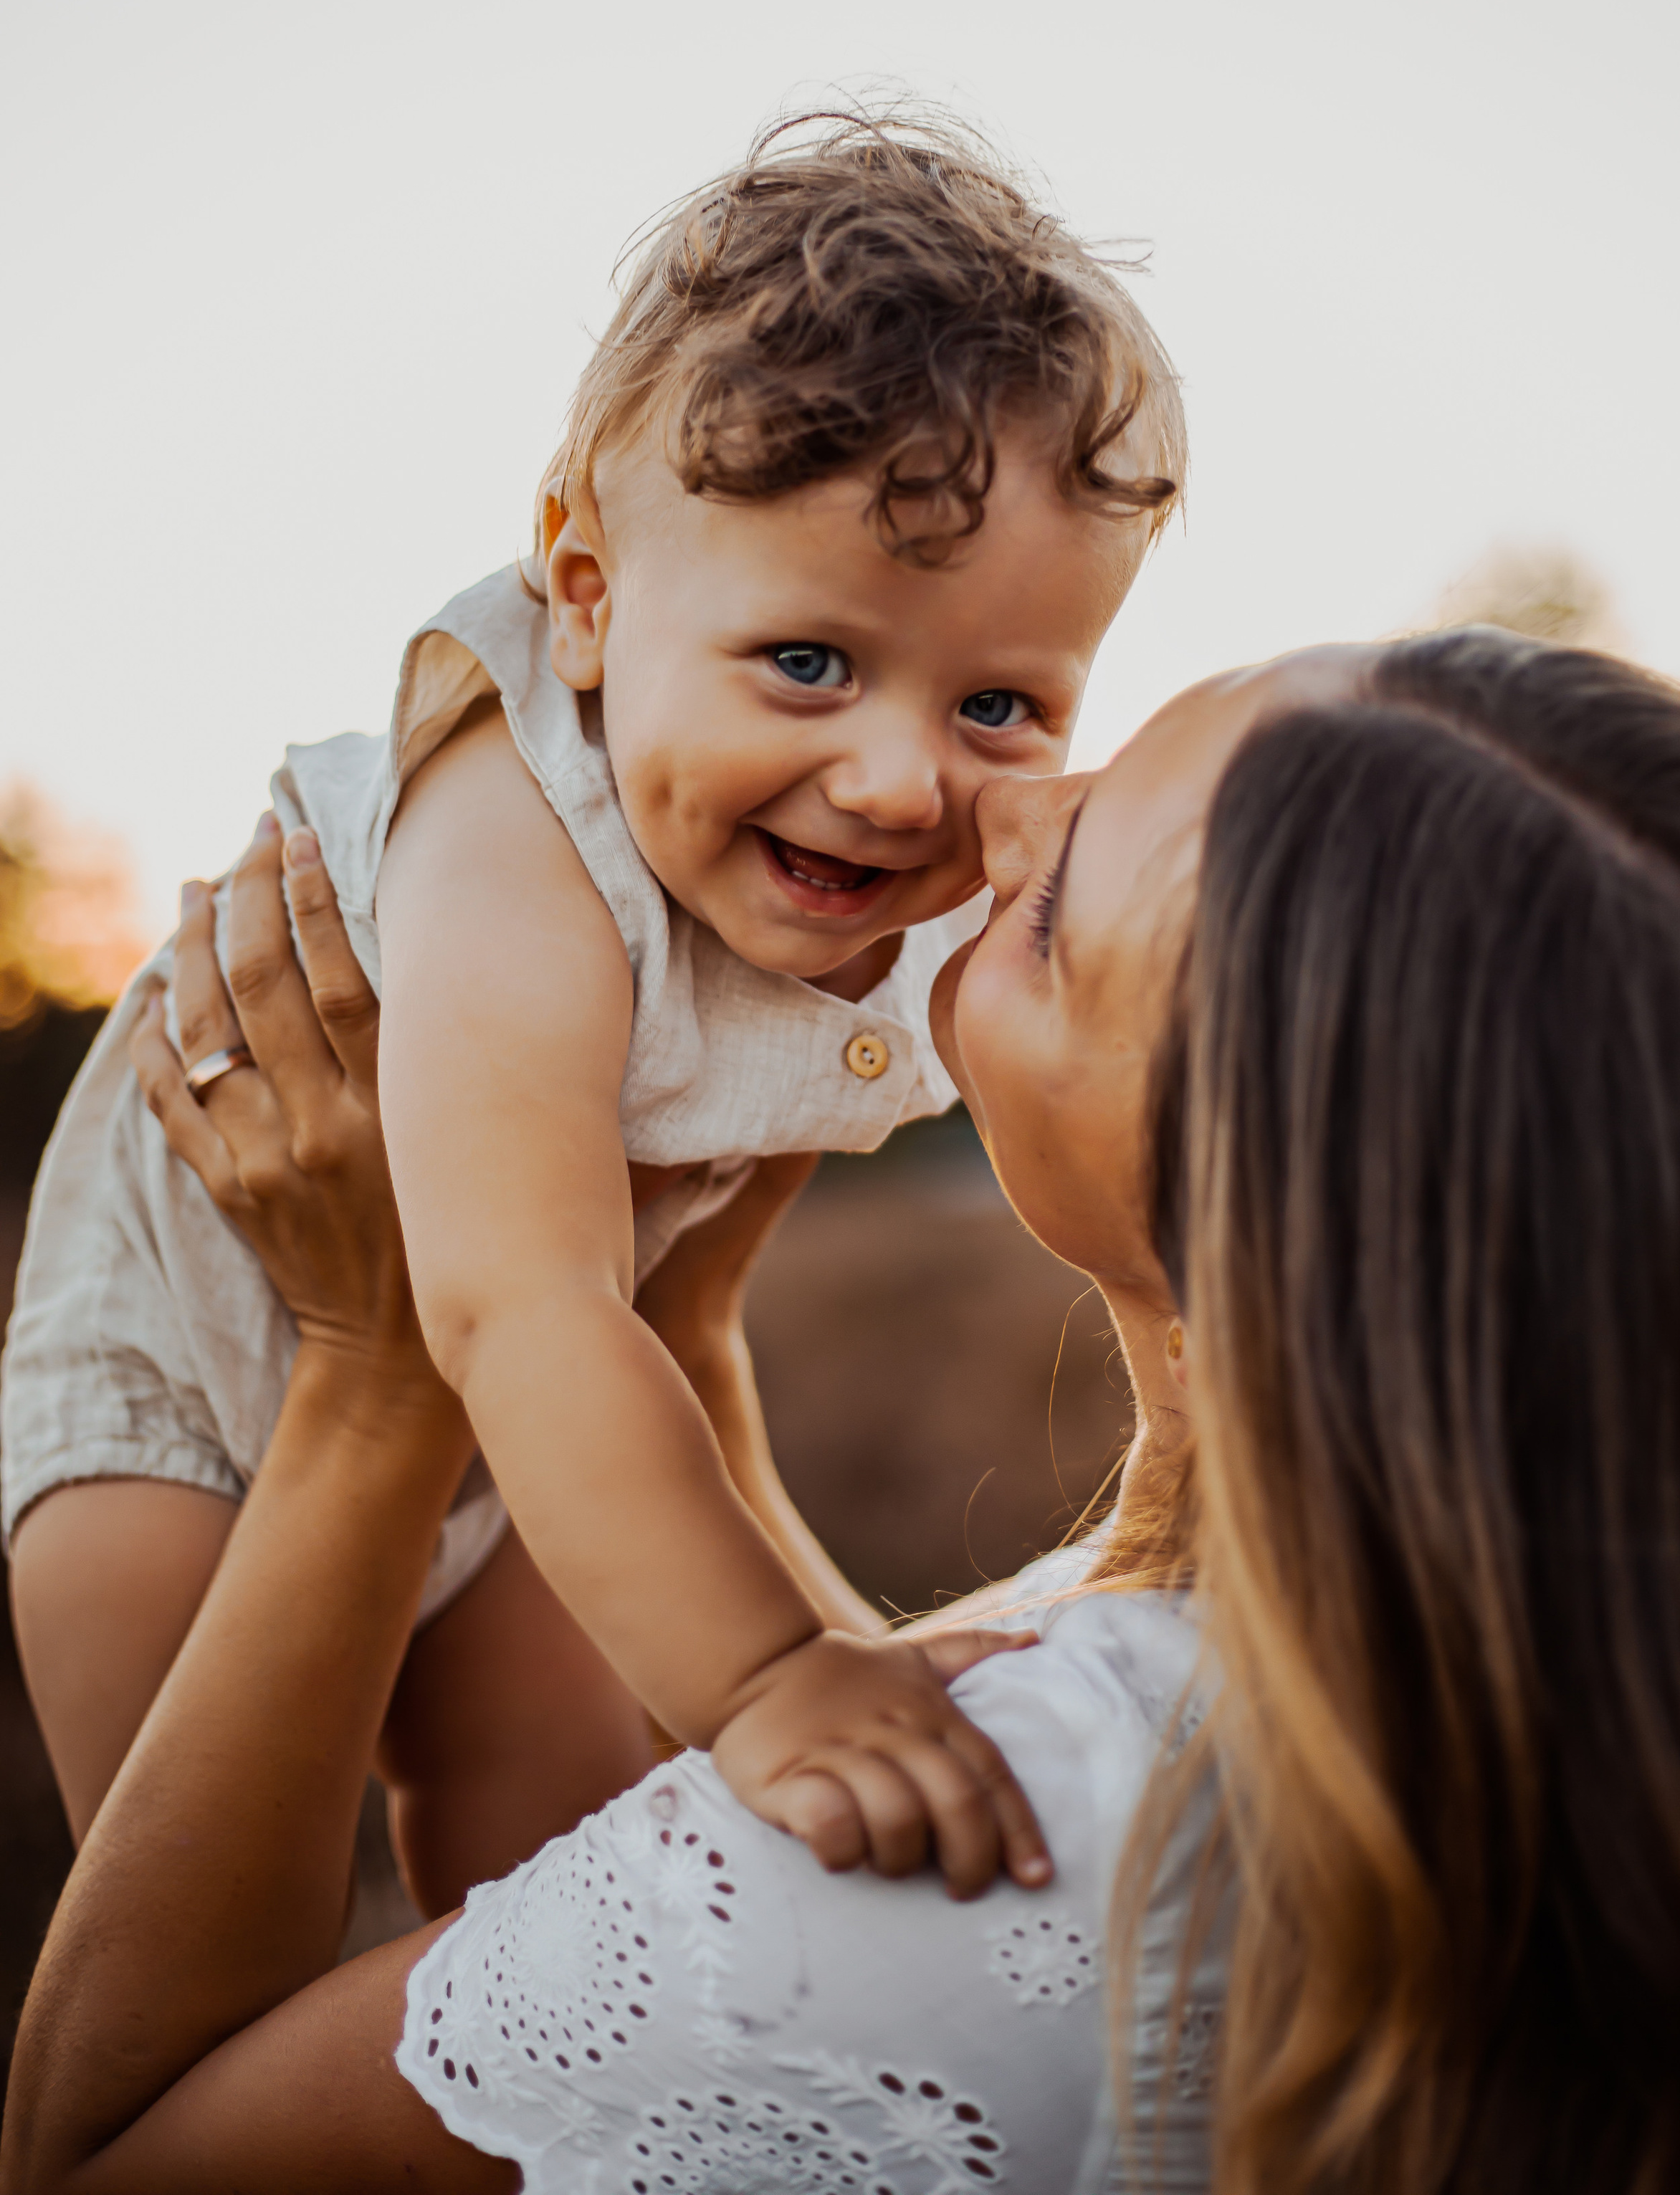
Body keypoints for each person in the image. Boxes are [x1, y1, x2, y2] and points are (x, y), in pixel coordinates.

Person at [9, 628, 1680, 2194]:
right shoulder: (1577, 1711)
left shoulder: (1017, 1847)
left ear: (1253, 1237)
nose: (999, 813)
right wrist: (694, 1359)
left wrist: (381, 1372)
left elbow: (101, 2163)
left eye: (1054, 905)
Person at [3, 108, 1186, 1905]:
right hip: (185, 1393)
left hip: (531, 1428)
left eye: (998, 707)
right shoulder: (511, 836)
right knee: (202, 1911)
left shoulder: (908, 867)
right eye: (807, 662)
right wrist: (773, 1677)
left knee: (552, 1857)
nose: (896, 783)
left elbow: (655, 1332)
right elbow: (520, 1295)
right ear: (585, 598)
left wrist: (850, 1657)